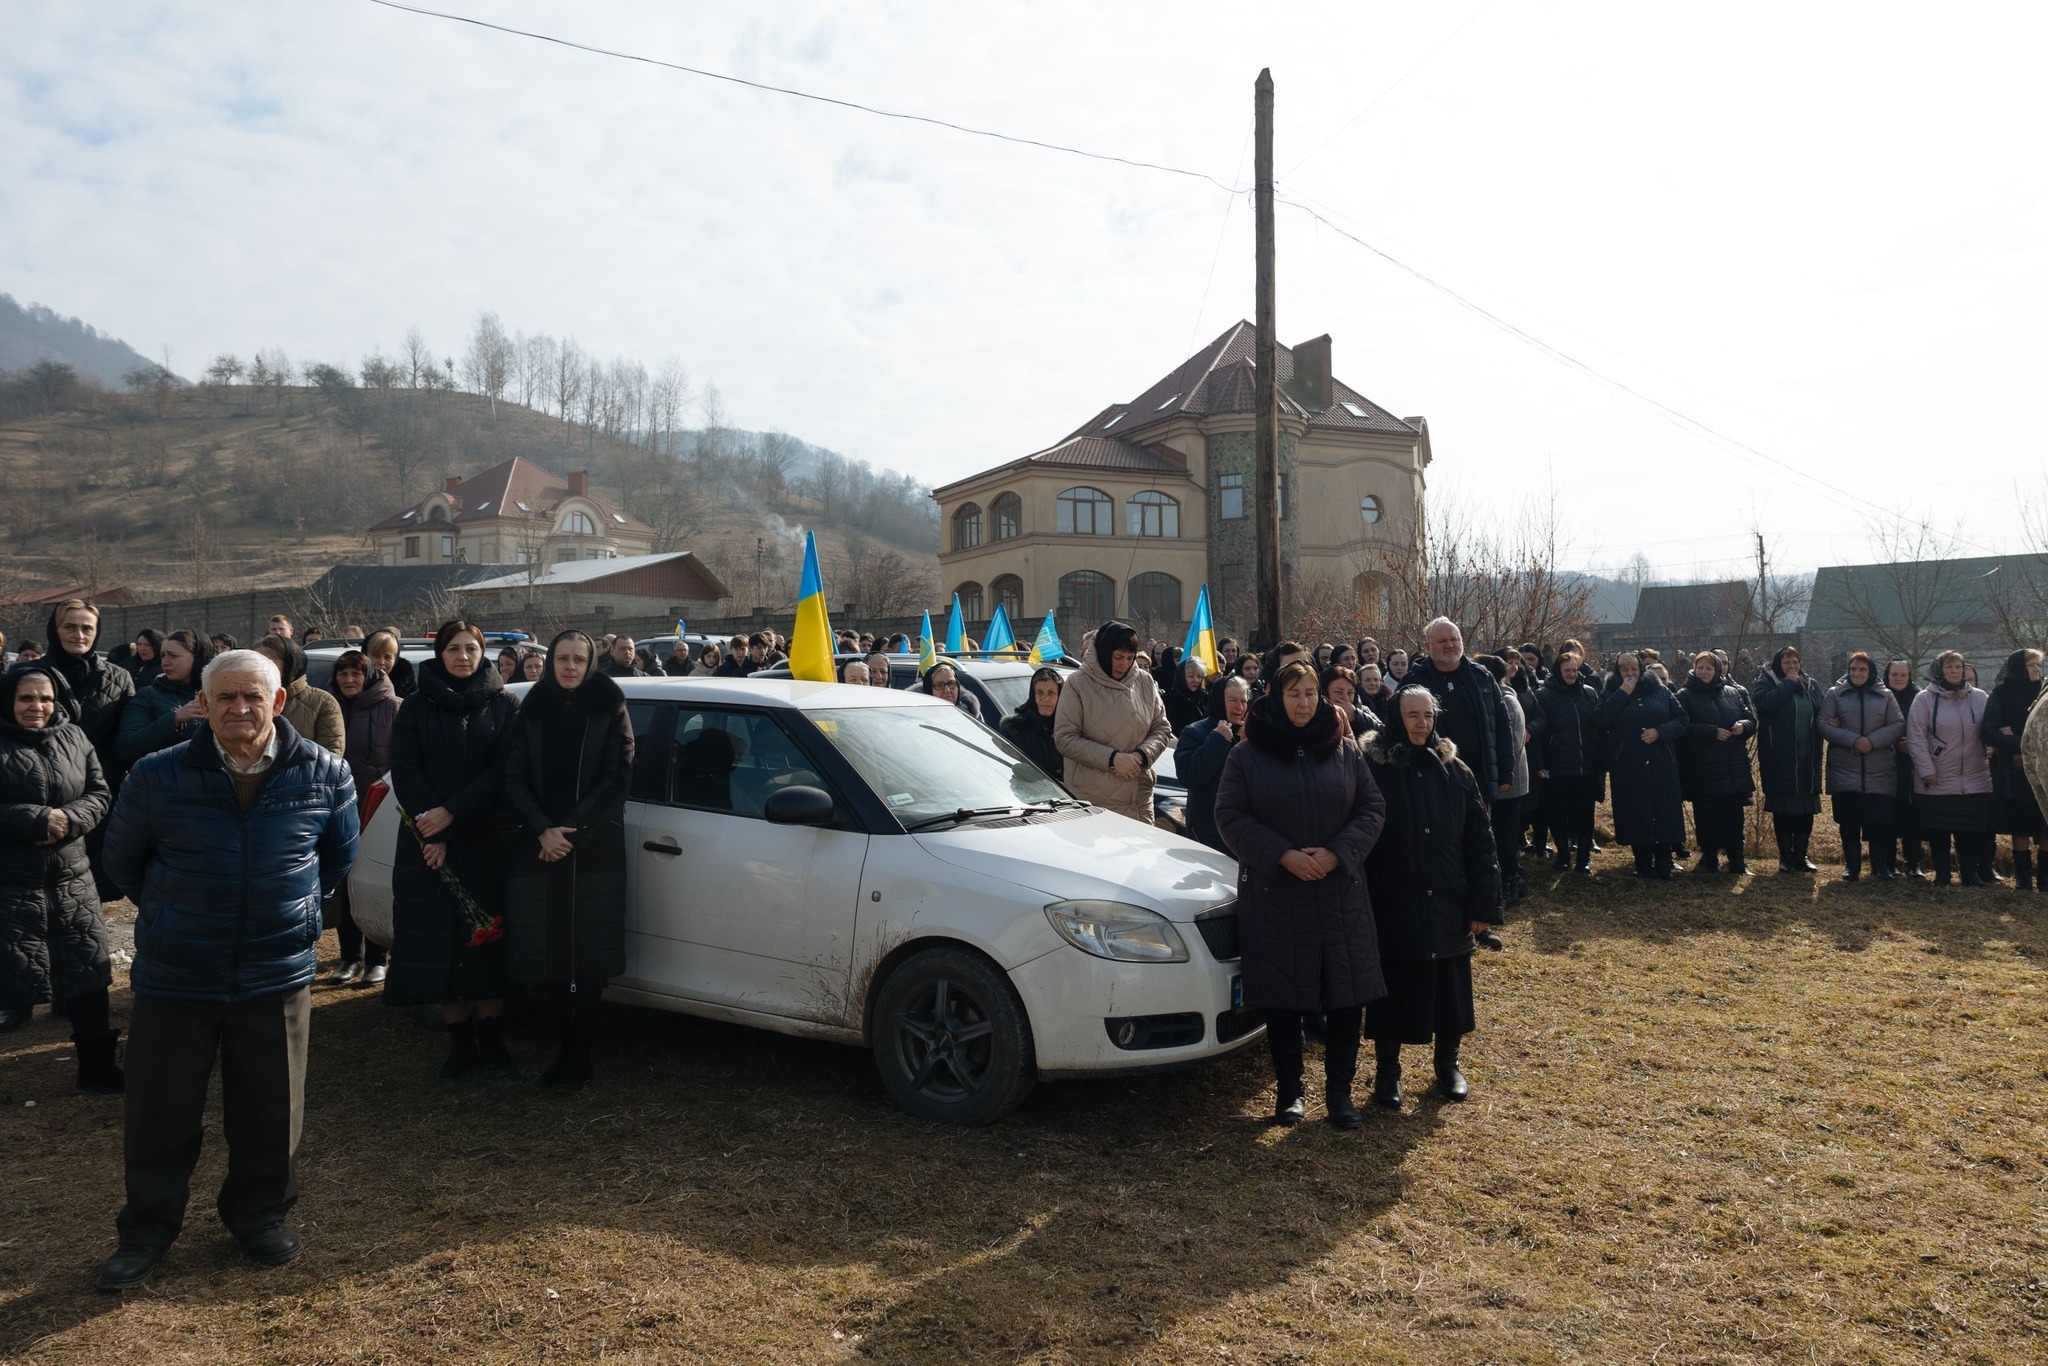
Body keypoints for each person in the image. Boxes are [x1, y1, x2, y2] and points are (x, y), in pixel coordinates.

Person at [96, 648, 358, 1291]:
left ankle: (260, 1217)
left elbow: (336, 861)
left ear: (276, 702)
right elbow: (122, 863)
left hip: (274, 974)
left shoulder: (325, 773)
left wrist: (288, 913)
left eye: (252, 698)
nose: (239, 709)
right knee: (161, 1112)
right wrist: (175, 913)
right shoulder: (157, 775)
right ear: (205, 706)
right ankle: (147, 1232)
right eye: (225, 698)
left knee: (272, 1109)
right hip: (177, 972)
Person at [1214, 660, 1387, 1128]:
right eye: (1294, 694)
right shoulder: (1247, 756)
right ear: (1274, 696)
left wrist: (1336, 854)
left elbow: (1371, 808)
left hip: (1339, 892)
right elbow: (1230, 817)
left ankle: (1340, 1094)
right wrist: (1283, 855)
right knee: (1284, 998)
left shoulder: (1346, 751)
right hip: (1276, 893)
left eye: (1311, 693)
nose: (1304, 702)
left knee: (1346, 996)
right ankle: (1290, 1092)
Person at [385, 620, 521, 1081]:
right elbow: (405, 769)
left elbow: (505, 772)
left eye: (471, 649)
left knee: (487, 942)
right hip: (429, 844)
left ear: (482, 653)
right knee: (438, 941)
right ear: (439, 653)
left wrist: (453, 815)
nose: (463, 656)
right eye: (454, 649)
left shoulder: (505, 705)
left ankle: (493, 1039)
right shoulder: (416, 707)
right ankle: (459, 1044)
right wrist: (434, 829)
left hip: (487, 839)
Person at [503, 631, 634, 1093]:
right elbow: (513, 775)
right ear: (550, 661)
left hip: (593, 847)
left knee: (588, 956)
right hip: (539, 847)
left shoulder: (609, 706)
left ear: (592, 662)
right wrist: (542, 828)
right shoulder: (532, 709)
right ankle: (563, 1047)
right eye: (563, 659)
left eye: (579, 659)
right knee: (552, 954)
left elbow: (618, 777)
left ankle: (581, 1054)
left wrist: (571, 832)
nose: (571, 667)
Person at [1359, 684, 1499, 1109]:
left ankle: (1448, 1063)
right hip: (1393, 898)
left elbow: (1481, 840)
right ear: (1396, 718)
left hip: (1448, 898)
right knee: (1394, 989)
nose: (1422, 724)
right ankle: (1388, 1073)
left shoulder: (1456, 772)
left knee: (1450, 990)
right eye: (1413, 715)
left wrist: (1483, 904)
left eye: (1428, 715)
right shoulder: (1374, 768)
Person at [0, 664, 118, 1088]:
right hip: (11, 884)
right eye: (26, 698)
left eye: (45, 698)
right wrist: (31, 820)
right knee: (11, 970)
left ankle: (98, 1068)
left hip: (71, 879)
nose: (37, 707)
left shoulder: (74, 736)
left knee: (87, 970)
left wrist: (68, 819)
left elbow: (100, 792)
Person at [325, 650, 399, 984]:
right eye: (343, 675)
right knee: (344, 883)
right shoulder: (331, 707)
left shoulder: (393, 707)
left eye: (355, 674)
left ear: (368, 674)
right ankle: (349, 957)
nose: (349, 680)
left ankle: (377, 959)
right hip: (340, 807)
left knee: (374, 879)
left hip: (379, 808)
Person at [1054, 622, 1174, 825]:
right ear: (1103, 652)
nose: (1123, 664)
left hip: (1139, 799)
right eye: (1118, 657)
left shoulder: (1144, 681)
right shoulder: (1078, 683)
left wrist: (1142, 755)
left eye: (1130, 658)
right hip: (1094, 803)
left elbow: (1161, 728)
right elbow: (1065, 739)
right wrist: (1112, 759)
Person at [1597, 653, 1689, 879]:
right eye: (1625, 670)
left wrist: (1660, 732)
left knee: (1664, 808)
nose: (1630, 674)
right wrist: (1622, 694)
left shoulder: (1660, 690)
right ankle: (1642, 859)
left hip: (1661, 761)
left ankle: (1664, 859)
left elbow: (1682, 720)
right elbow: (1600, 720)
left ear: (1641, 670)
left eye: (1634, 670)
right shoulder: (1610, 692)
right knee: (1635, 810)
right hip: (1628, 763)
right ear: (1618, 672)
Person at [1817, 652, 1906, 881]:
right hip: (1844, 769)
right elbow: (1823, 724)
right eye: (1854, 669)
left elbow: (1897, 724)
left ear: (1871, 672)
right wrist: (1854, 740)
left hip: (1879, 770)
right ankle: (1852, 865)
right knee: (1849, 821)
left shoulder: (1885, 696)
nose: (1857, 673)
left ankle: (1879, 865)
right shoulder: (1835, 694)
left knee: (1878, 820)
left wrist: (1872, 741)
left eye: (1862, 670)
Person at [1909, 651, 1992, 886]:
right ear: (1938, 670)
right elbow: (1916, 737)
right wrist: (1926, 770)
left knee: (1970, 831)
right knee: (1939, 831)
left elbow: (1990, 727)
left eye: (1958, 666)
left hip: (1974, 776)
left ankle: (1969, 874)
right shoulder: (1924, 699)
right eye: (1949, 667)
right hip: (1939, 777)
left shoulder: (1979, 697)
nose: (1955, 671)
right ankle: (1943, 874)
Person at [1415, 619, 1515, 806]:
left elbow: (1502, 723)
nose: (1450, 645)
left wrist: (1506, 771)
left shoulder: (1482, 676)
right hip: (1436, 781)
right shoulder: (1414, 681)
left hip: (1481, 778)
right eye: (1442, 641)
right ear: (1427, 646)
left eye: (1454, 639)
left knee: (1482, 832)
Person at [1678, 651, 1758, 874]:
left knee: (1734, 816)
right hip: (1703, 768)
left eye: (1709, 668)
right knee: (1706, 816)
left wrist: (1743, 726)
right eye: (1700, 667)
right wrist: (1711, 732)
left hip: (1733, 766)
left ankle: (1737, 861)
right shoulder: (1684, 695)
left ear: (1718, 671)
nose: (1704, 672)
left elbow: (1751, 719)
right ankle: (1710, 859)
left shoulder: (1733, 692)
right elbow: (1682, 727)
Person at [1752, 646, 1826, 874]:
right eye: (1787, 663)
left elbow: (1822, 711)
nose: (1792, 667)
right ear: (1778, 664)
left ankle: (1801, 856)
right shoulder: (1766, 682)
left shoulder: (1811, 685)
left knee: (1806, 809)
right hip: (1780, 759)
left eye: (1795, 662)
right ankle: (1785, 857)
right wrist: (1789, 683)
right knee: (1783, 810)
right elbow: (1766, 704)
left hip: (1807, 759)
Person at [1532, 651, 1601, 872]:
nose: (1571, 674)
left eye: (1574, 670)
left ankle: (1583, 856)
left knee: (1585, 814)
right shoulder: (1544, 695)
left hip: (1587, 765)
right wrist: (1541, 764)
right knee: (1558, 813)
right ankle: (1562, 853)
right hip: (1558, 765)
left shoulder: (1589, 693)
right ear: (1558, 672)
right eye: (1566, 670)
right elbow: (1541, 735)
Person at [1983, 649, 2044, 890]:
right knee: (2021, 823)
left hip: (2044, 768)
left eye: (2039, 665)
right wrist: (2016, 745)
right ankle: (2023, 876)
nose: (2037, 670)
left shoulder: (2044, 694)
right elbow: (1989, 731)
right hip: (2015, 771)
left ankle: (2045, 877)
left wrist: (2020, 741)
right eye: (2032, 665)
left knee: (2045, 821)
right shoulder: (2001, 694)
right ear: (2019, 667)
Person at [1473, 655, 1530, 902]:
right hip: (1499, 781)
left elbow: (1513, 744)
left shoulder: (1505, 701)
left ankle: (1511, 882)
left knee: (1505, 838)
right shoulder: (1495, 698)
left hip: (1508, 784)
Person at [117, 630, 214, 767]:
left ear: (198, 658)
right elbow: (127, 747)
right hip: (163, 781)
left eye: (173, 656)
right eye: (162, 656)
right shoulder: (148, 695)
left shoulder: (219, 695)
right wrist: (175, 719)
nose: (165, 663)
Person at [1175, 674, 1249, 852]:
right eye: (1233, 700)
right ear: (1218, 700)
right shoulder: (1195, 732)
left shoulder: (1250, 733)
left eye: (1244, 701)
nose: (1239, 707)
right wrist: (1217, 740)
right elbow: (1189, 776)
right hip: (1208, 834)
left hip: (1244, 832)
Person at [252, 635, 344, 757]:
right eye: (255, 662)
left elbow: (330, 756)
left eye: (268, 662)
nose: (260, 668)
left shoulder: (322, 702)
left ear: (290, 665)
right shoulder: (243, 701)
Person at [1884, 660, 1924, 877]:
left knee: (1912, 814)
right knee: (1887, 814)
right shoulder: (1879, 696)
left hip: (1912, 763)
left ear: (1909, 677)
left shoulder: (1919, 698)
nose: (1898, 678)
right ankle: (1887, 862)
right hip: (1884, 762)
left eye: (1902, 674)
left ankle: (1913, 861)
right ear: (1887, 676)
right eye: (1894, 674)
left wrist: (1912, 745)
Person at [998, 667, 1064, 784]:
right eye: (1039, 693)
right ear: (1032, 695)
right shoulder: (1014, 730)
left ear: (1060, 696)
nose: (1045, 698)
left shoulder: (1069, 728)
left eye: (1051, 693)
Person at [364, 630, 416, 700]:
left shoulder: (410, 694)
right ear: (365, 656)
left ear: (395, 660)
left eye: (387, 657)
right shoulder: (351, 684)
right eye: (376, 655)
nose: (382, 662)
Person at [1164, 657, 1210, 735]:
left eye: (1199, 677)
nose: (1196, 680)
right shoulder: (1169, 699)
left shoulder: (1205, 698)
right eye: (1191, 676)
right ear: (1182, 676)